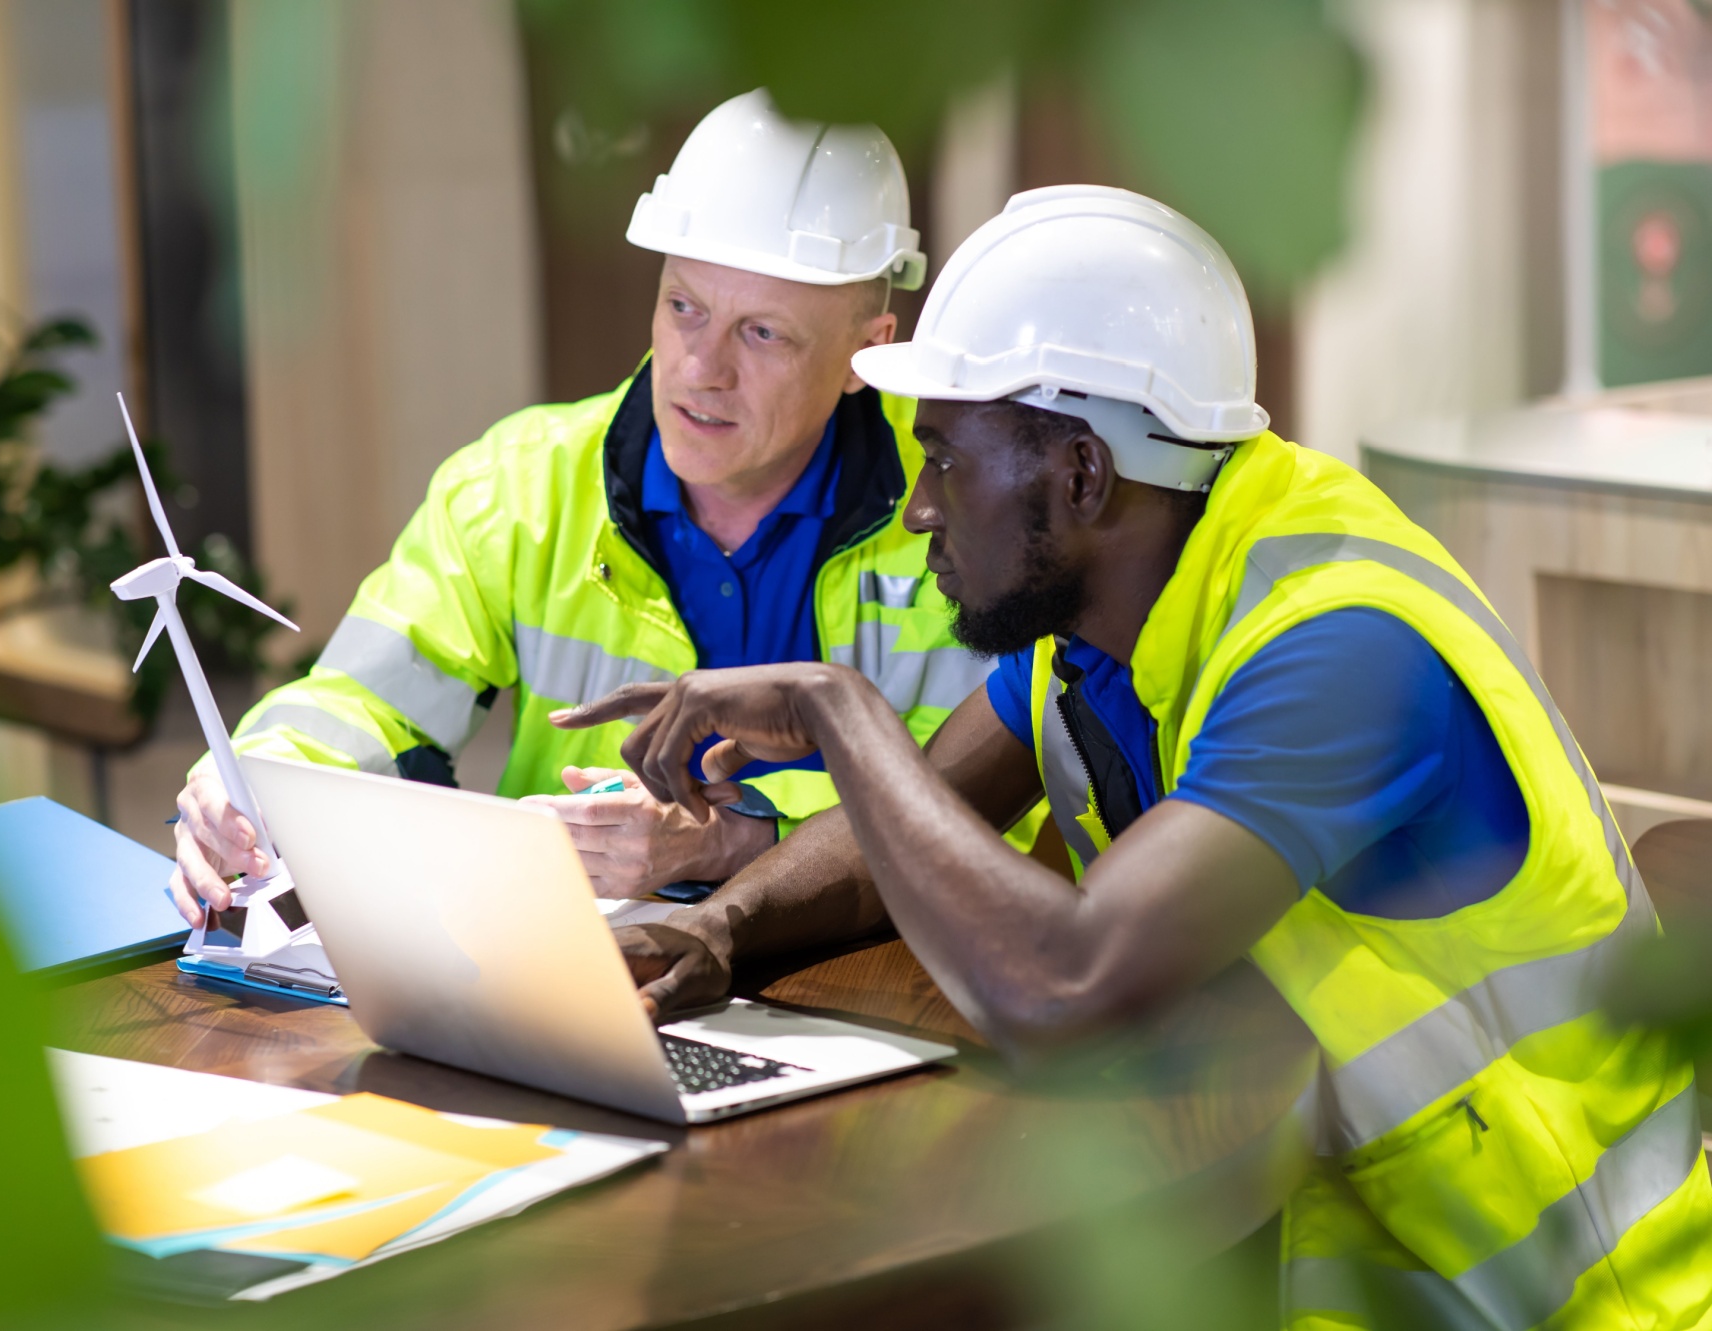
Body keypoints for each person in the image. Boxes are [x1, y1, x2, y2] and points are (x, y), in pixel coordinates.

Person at [563, 187, 1712, 1328]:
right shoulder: (1108, 615)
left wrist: (838, 708)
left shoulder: (1342, 649)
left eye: (948, 462)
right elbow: (899, 841)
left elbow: (1066, 986)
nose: (918, 508)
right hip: (1333, 1258)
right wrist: (723, 927)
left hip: (1567, 1300)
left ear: (1080, 474)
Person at [169, 89, 1031, 925]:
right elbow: (357, 701)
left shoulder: (963, 514)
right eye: (684, 307)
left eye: (762, 332)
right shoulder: (518, 483)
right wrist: (255, 778)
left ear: (865, 354)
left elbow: (1007, 825)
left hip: (863, 971)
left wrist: (739, 836)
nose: (701, 368)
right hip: (563, 963)